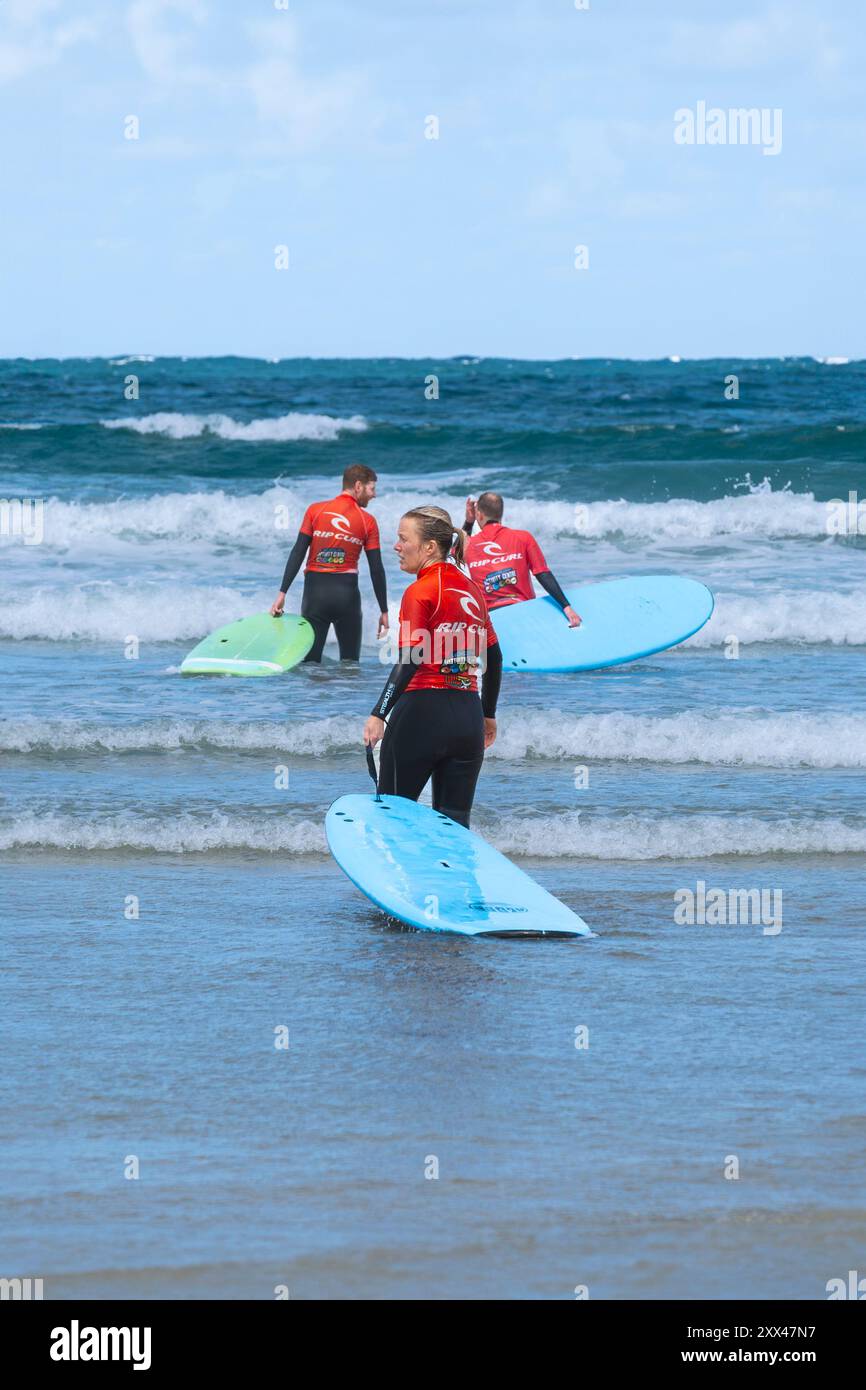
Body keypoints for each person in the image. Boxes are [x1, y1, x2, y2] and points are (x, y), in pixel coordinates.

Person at [363, 506, 502, 828]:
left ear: (429, 547)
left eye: (402, 539)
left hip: (421, 717)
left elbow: (412, 657)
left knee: (394, 821)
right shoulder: (473, 590)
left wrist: (379, 713)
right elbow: (494, 658)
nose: (396, 546)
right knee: (454, 828)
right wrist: (488, 714)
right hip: (468, 720)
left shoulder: (421, 591)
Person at [271, 463, 389, 662]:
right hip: (347, 596)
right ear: (358, 486)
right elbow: (376, 569)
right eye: (372, 488)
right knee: (350, 665)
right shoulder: (367, 521)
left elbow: (298, 551)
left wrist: (282, 593)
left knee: (310, 665)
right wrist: (384, 610)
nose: (374, 495)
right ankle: (345, 694)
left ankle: (310, 695)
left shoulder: (316, 510)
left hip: (314, 595)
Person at [462, 491, 581, 625]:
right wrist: (566, 607)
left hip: (490, 618)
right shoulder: (523, 537)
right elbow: (542, 573)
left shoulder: (469, 545)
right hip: (523, 610)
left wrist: (469, 522)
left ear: (479, 514)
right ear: (501, 513)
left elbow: (454, 556)